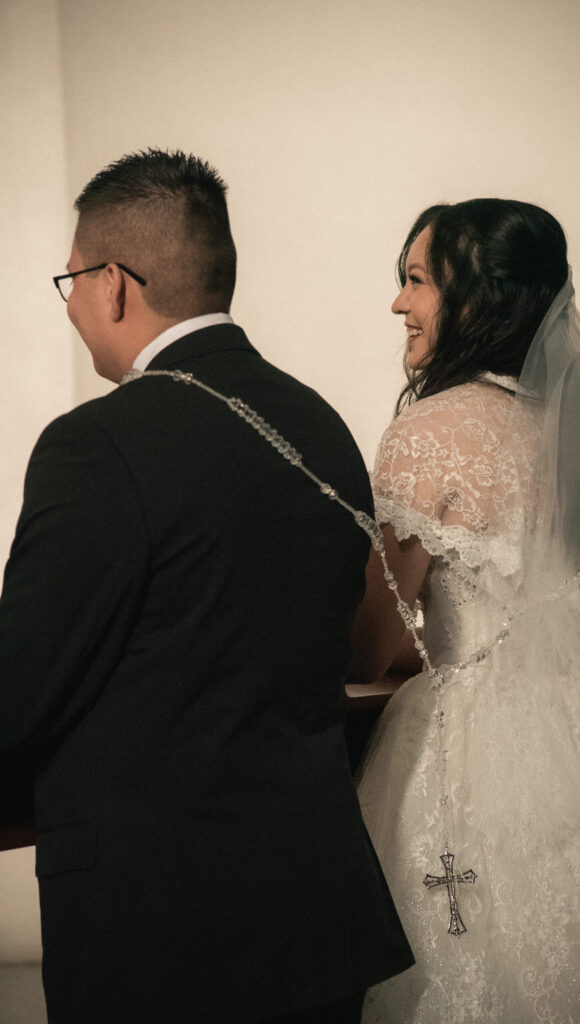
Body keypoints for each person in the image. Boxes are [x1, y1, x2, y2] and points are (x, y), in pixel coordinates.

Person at [0, 149, 413, 1024]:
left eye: (71, 280)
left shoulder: (96, 446)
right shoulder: (320, 423)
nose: (72, 304)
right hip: (314, 906)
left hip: (158, 930)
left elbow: (22, 686)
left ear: (114, 283)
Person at [352, 200, 580, 1022]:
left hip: (476, 763)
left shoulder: (428, 435)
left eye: (417, 280)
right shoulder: (578, 439)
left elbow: (367, 647)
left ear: (476, 299)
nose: (399, 303)